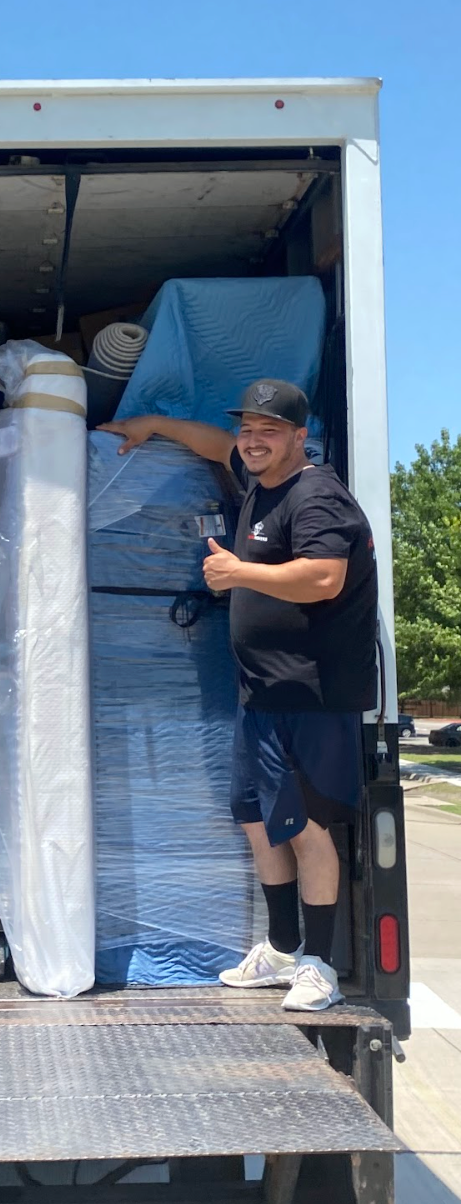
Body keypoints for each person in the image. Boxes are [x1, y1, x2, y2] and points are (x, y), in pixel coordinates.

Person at [98, 379, 378, 1011]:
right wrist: (150, 425)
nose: (253, 441)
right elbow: (217, 444)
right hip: (260, 696)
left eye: (268, 431)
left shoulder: (316, 496)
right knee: (258, 823)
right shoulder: (260, 482)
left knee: (308, 830)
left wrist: (235, 573)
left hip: (311, 697)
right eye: (249, 429)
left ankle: (321, 965)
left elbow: (325, 577)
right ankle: (280, 950)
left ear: (300, 438)